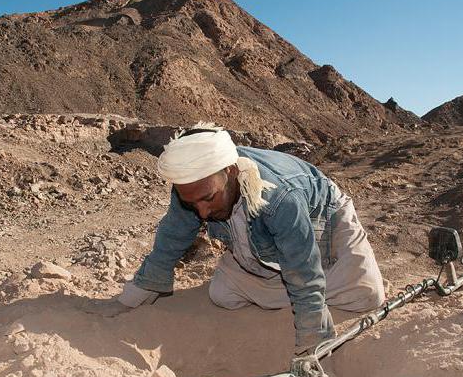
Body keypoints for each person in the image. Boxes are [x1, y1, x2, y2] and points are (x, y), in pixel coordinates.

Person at [111, 123, 385, 355]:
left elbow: (302, 268)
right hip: (254, 218)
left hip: (323, 212)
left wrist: (311, 340)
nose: (203, 212)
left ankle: (302, 293)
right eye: (192, 203)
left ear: (230, 172)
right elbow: (172, 237)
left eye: (208, 198)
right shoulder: (195, 186)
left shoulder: (280, 198)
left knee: (368, 295)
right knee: (222, 295)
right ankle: (291, 287)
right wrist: (132, 297)